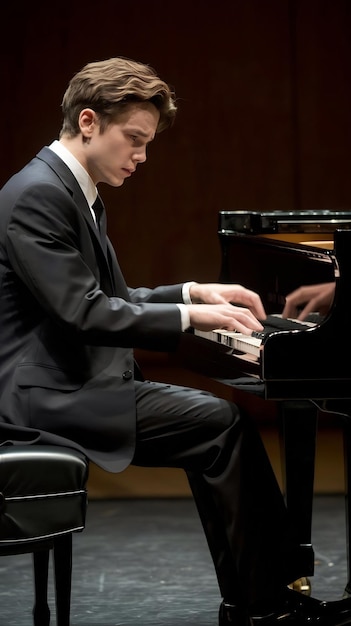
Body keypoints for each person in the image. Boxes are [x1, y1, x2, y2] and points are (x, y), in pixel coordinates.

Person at [0, 57, 349, 626]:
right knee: (220, 424)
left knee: (216, 426)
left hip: (68, 381)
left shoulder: (67, 187)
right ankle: (264, 604)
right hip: (49, 395)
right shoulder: (41, 195)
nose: (141, 156)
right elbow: (83, 312)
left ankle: (259, 597)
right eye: (133, 139)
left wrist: (191, 291)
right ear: (88, 121)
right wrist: (191, 317)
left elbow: (112, 295)